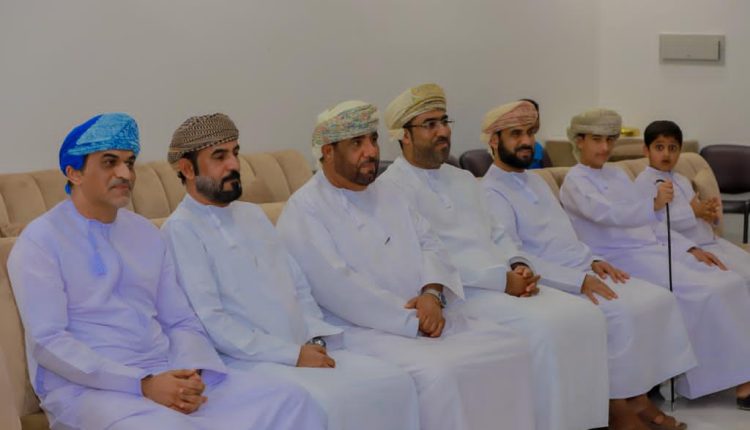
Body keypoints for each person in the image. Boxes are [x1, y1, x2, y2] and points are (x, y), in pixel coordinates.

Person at [7, 113, 325, 430]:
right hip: (91, 391)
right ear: (74, 172)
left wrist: (190, 372)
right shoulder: (41, 242)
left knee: (292, 400)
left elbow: (181, 320)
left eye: (129, 162)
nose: (125, 174)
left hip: (167, 372)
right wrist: (142, 383)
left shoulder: (144, 233)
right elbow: (48, 342)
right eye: (109, 162)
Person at [277, 100, 537, 430]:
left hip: (428, 315)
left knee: (510, 347)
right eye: (357, 143)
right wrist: (412, 319)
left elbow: (431, 244)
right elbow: (339, 287)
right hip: (367, 329)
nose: (371, 151)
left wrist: (432, 294)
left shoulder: (389, 192)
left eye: (373, 139)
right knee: (441, 374)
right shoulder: (305, 209)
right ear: (328, 152)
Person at [161, 113, 420, 430]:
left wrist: (314, 339)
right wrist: (291, 354)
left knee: (393, 382)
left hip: (305, 347)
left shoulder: (252, 215)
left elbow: (298, 285)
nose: (234, 165)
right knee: (327, 402)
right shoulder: (181, 230)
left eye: (235, 153)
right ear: (187, 169)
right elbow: (211, 320)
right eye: (219, 157)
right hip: (250, 362)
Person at [379, 84, 609, 430]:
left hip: (504, 282)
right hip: (463, 293)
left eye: (444, 121)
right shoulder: (391, 189)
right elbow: (427, 258)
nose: (443, 131)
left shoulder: (462, 178)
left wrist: (518, 264)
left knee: (585, 315)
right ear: (404, 136)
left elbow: (497, 232)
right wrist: (502, 281)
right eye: (430, 124)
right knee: (546, 328)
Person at [480, 101, 696, 429]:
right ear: (494, 141)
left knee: (657, 299)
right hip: (553, 280)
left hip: (582, 265)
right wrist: (576, 280)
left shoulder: (534, 181)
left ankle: (637, 397)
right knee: (620, 312)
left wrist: (594, 260)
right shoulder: (491, 191)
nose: (527, 141)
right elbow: (514, 255)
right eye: (516, 134)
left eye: (530, 133)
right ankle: (616, 406)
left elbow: (565, 234)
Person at [559, 108, 750, 411]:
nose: (605, 148)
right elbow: (609, 215)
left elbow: (654, 224)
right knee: (708, 291)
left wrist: (687, 248)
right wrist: (654, 203)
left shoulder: (616, 173)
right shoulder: (575, 181)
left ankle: (735, 372)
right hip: (619, 256)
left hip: (653, 247)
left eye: (610, 140)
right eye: (597, 140)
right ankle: (730, 381)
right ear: (579, 140)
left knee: (729, 281)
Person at [635, 119, 750, 282]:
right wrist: (694, 212)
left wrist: (709, 214)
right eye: (659, 147)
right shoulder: (644, 182)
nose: (666, 154)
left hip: (711, 241)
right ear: (646, 150)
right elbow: (653, 225)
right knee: (736, 280)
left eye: (672, 148)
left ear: (680, 150)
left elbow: (697, 210)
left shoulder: (681, 179)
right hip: (685, 248)